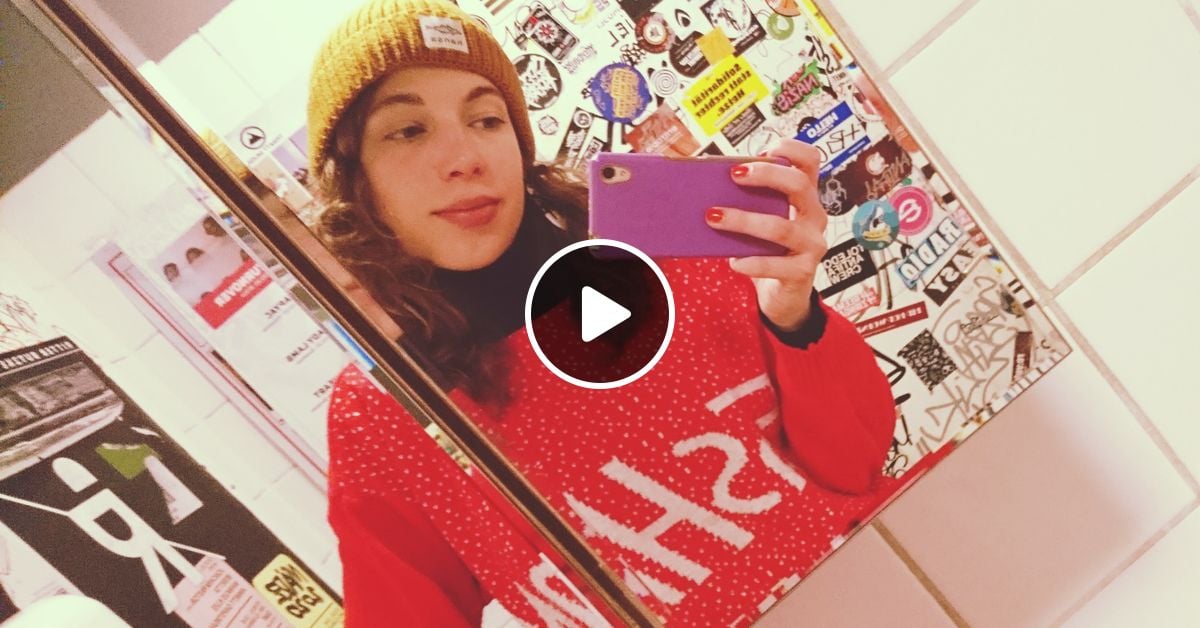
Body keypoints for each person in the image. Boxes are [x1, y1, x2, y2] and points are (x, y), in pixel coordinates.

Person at [308, 1, 929, 625]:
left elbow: (856, 468)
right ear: (354, 178)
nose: (465, 157)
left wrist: (795, 322)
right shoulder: (385, 407)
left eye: (487, 120)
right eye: (408, 130)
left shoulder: (662, 255)